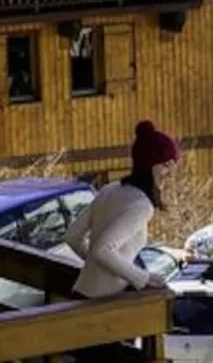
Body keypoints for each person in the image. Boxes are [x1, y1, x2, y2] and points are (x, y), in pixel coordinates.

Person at [65, 123, 181, 359]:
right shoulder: (141, 205)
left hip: (80, 300)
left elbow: (72, 236)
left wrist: (96, 265)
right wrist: (144, 278)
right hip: (103, 312)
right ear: (152, 165)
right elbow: (103, 250)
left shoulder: (110, 189)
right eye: (167, 163)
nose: (171, 170)